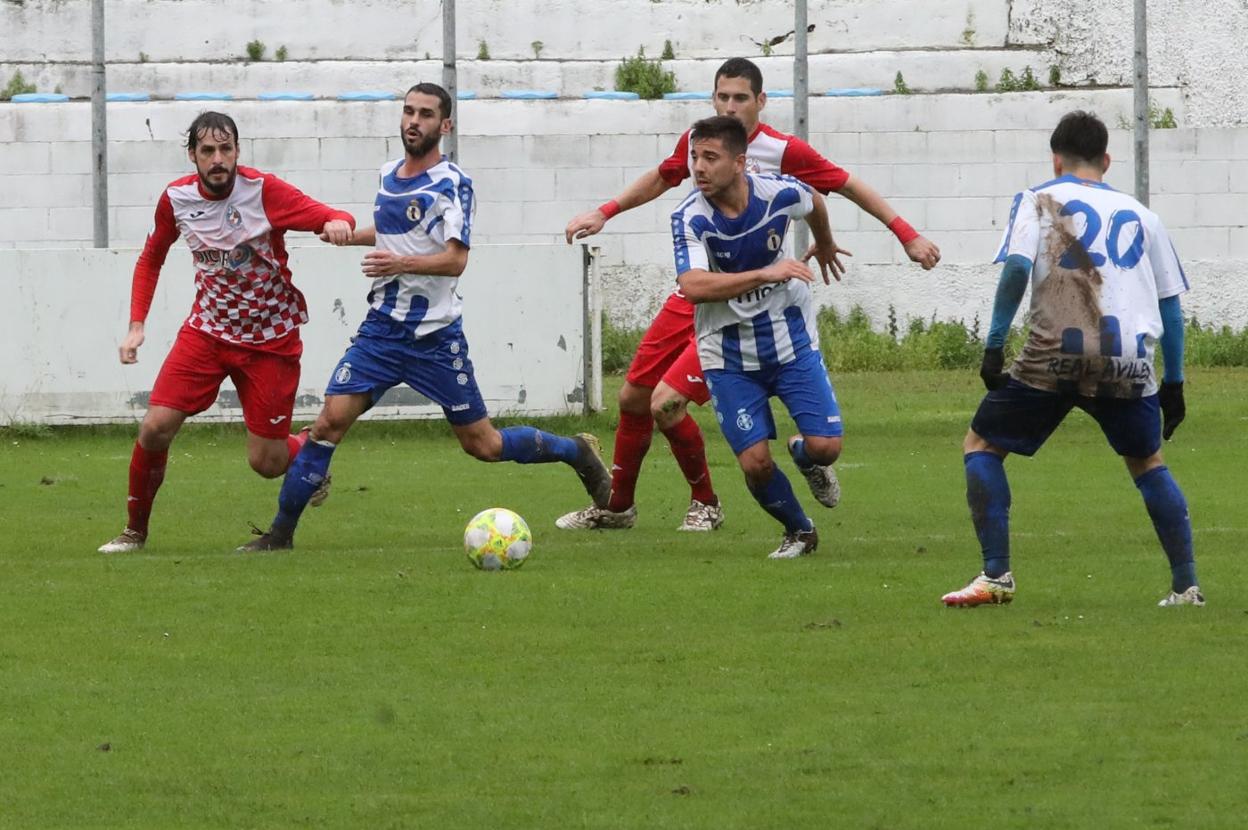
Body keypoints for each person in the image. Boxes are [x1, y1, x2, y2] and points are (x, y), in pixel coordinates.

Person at [557, 56, 940, 533]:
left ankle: (709, 502)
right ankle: (618, 508)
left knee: (665, 403)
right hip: (703, 293)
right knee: (635, 397)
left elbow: (839, 186)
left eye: (741, 98)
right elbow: (662, 175)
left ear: (761, 102)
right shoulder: (702, 142)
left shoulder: (782, 151)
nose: (731, 106)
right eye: (722, 96)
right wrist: (605, 211)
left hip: (751, 310)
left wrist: (905, 234)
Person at [238, 83, 611, 551]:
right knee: (329, 423)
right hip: (381, 331)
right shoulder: (388, 174)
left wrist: (399, 263)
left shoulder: (452, 183)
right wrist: (348, 234)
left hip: (435, 337)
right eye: (409, 112)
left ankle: (574, 451)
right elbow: (394, 230)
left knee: (483, 445)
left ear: (445, 125)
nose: (414, 121)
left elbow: (455, 259)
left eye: (426, 114)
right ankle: (279, 536)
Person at [941, 110, 1202, 608]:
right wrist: (1176, 382)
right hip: (1128, 359)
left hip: (1056, 350)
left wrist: (995, 343)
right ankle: (1185, 586)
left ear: (1055, 159)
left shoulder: (1038, 199)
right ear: (1106, 159)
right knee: (1147, 462)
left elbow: (1018, 267)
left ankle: (996, 576)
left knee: (981, 445)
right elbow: (1170, 303)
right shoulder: (1144, 216)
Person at [97, 112, 356, 554]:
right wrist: (137, 324)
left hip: (270, 340)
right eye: (207, 151)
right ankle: (134, 532)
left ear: (237, 150)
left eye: (226, 149)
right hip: (208, 333)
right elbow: (151, 256)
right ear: (192, 155)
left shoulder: (263, 190)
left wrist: (337, 222)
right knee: (155, 427)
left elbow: (329, 214)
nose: (218, 159)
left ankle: (305, 452)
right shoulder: (176, 199)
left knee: (267, 462)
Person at [672, 115, 846, 559]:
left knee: (827, 448)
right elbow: (692, 285)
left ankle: (804, 455)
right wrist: (765, 273)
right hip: (726, 352)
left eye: (711, 158)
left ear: (740, 162)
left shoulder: (778, 191)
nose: (699, 167)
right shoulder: (689, 217)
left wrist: (824, 244)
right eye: (695, 157)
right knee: (754, 462)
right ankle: (800, 531)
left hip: (788, 338)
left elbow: (815, 203)